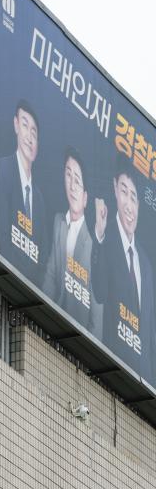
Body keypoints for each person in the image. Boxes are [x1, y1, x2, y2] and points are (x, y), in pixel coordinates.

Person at [91, 155, 155, 385]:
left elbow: (149, 334)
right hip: (110, 371)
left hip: (142, 381)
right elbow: (98, 291)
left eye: (134, 197)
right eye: (124, 191)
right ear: (115, 190)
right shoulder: (105, 239)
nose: (129, 205)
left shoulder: (146, 264)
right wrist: (98, 235)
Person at [43, 148, 101, 336]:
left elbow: (97, 305)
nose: (72, 185)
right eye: (69, 175)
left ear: (85, 197)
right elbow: (51, 275)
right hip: (52, 322)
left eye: (78, 180)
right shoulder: (58, 222)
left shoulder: (93, 242)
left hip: (79, 336)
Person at [0, 99, 48, 288]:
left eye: (34, 132)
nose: (30, 137)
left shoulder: (39, 199)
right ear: (16, 125)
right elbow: (2, 233)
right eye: (25, 125)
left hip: (28, 290)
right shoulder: (3, 168)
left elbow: (43, 258)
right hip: (2, 281)